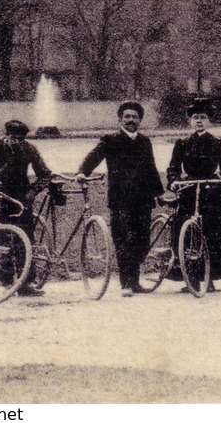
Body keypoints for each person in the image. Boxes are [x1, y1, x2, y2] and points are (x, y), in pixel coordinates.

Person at [78, 101, 164, 296]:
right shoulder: (110, 140)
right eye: (127, 116)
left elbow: (151, 168)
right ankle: (127, 283)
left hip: (143, 199)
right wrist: (83, 171)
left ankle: (134, 281)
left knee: (142, 241)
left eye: (135, 117)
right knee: (124, 240)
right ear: (120, 120)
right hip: (121, 199)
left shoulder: (144, 141)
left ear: (140, 120)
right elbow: (94, 156)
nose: (131, 120)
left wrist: (159, 193)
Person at [164, 96, 221, 289]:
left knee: (213, 233)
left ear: (209, 121)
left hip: (211, 191)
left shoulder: (218, 142)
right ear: (190, 120)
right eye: (196, 117)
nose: (199, 120)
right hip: (189, 190)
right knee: (186, 232)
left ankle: (210, 278)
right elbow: (173, 167)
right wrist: (174, 181)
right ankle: (189, 277)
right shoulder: (182, 143)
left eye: (203, 117)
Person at [0, 119, 52, 295]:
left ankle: (25, 283)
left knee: (25, 240)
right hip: (1, 193)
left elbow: (45, 174)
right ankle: (6, 281)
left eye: (20, 139)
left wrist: (33, 191)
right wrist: (13, 158)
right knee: (3, 241)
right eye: (13, 138)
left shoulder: (29, 148)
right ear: (5, 135)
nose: (17, 142)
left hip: (22, 196)